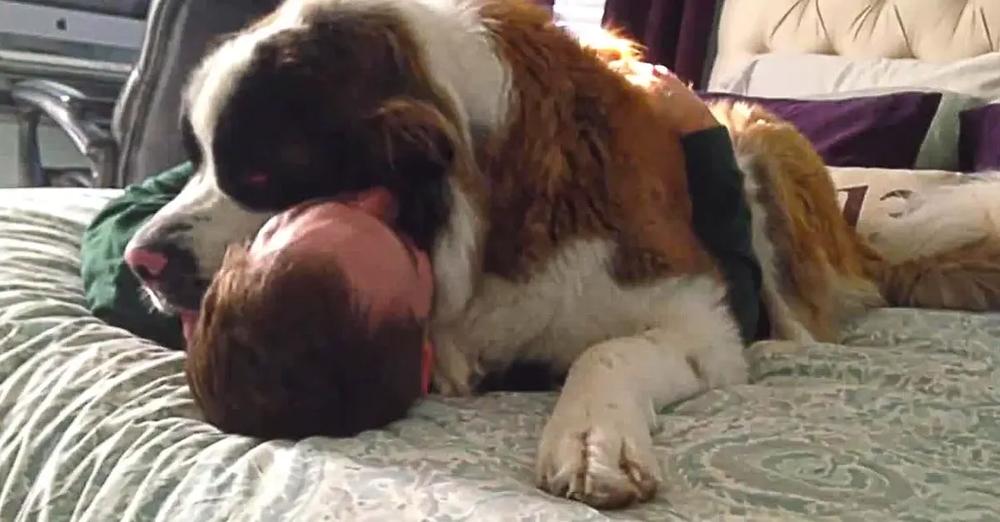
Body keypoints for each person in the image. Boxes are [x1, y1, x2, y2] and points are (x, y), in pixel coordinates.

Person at [79, 69, 764, 431]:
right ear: (428, 350)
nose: (377, 202)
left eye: (296, 216)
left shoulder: (233, 322)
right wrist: (704, 142)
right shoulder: (498, 349)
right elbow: (734, 305)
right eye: (407, 249)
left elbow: (120, 228)